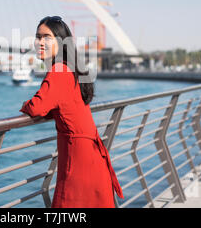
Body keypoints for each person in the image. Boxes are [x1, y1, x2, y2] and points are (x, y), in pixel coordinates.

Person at [20, 15, 124, 208]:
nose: (40, 42)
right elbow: (63, 104)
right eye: (38, 36)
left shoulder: (59, 70)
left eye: (46, 37)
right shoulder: (70, 69)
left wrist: (25, 104)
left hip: (78, 162)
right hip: (88, 155)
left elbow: (37, 107)